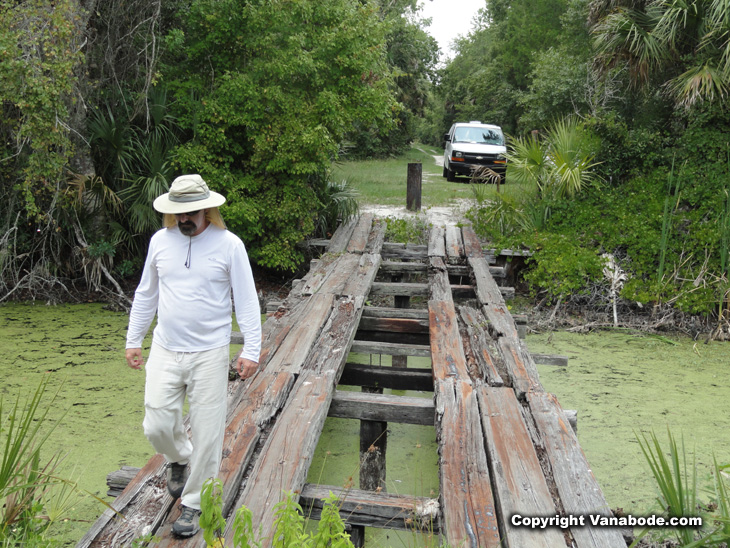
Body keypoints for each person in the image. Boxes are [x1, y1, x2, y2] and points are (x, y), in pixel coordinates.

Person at [125, 174, 262, 538]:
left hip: (210, 352)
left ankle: (194, 504)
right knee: (156, 423)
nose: (185, 219)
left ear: (207, 209)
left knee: (207, 430)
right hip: (166, 348)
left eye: (191, 212)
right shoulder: (160, 242)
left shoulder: (229, 245)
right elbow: (146, 293)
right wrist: (133, 338)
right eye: (179, 213)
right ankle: (178, 457)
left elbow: (246, 300)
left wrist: (251, 349)